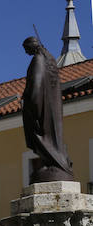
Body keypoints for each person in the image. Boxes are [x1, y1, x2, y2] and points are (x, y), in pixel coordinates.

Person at [21, 36, 73, 182]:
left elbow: (36, 85)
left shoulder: (38, 60)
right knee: (52, 137)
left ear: (32, 46)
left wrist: (31, 104)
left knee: (42, 136)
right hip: (52, 107)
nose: (26, 53)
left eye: (26, 49)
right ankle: (55, 164)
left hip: (40, 107)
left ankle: (55, 164)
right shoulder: (49, 59)